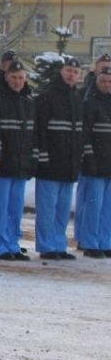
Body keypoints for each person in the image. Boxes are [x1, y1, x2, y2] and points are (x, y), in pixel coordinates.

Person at [34, 57, 83, 260]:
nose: (71, 74)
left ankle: (59, 244)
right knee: (47, 209)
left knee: (62, 210)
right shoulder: (48, 96)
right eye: (68, 70)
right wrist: (42, 155)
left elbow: (79, 133)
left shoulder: (76, 99)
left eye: (75, 71)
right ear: (61, 71)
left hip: (68, 163)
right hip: (51, 162)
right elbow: (40, 129)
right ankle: (46, 246)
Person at [0, 60, 35, 261]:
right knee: (0, 208)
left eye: (21, 78)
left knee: (15, 209)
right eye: (13, 77)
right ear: (6, 77)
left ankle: (12, 243)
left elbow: (32, 134)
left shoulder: (28, 101)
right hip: (3, 163)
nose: (17, 82)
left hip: (20, 164)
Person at [78, 67, 111, 258]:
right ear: (96, 83)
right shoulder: (89, 103)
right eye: (103, 81)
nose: (107, 85)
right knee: (93, 206)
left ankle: (106, 241)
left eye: (109, 82)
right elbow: (85, 134)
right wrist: (89, 158)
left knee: (108, 208)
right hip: (95, 164)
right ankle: (90, 242)